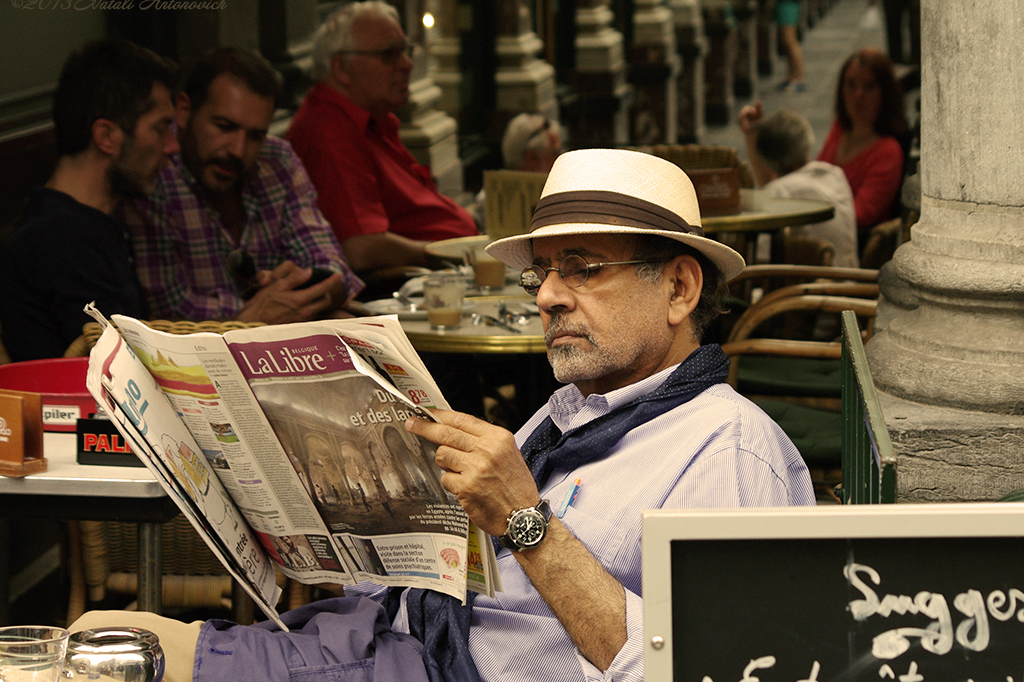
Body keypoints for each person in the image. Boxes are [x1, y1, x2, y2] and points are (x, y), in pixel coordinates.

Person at [71, 148, 815, 682]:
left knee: (96, 660)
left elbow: (698, 667)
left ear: (680, 287)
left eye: (583, 267)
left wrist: (523, 517)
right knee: (94, 637)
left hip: (419, 663)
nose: (550, 295)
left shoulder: (728, 448)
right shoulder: (570, 415)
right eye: (543, 271)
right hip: (368, 636)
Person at [123, 47, 364, 324]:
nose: (238, 150)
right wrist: (263, 310)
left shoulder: (277, 160)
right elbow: (168, 310)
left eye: (255, 136)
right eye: (224, 127)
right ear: (184, 110)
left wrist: (309, 285)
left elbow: (332, 266)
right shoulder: (153, 170)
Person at [0, 39, 179, 361]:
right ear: (107, 137)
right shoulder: (59, 239)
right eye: (161, 128)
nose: (171, 146)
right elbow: (122, 371)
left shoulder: (84, 225)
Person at [286, 0, 478, 275]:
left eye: (406, 51)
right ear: (341, 69)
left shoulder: (373, 118)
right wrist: (445, 254)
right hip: (428, 283)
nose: (407, 64)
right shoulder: (329, 130)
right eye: (389, 54)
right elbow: (362, 249)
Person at [739, 104, 858, 267]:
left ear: (766, 161)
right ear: (807, 144)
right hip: (850, 284)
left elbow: (761, 261)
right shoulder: (834, 175)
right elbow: (775, 186)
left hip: (804, 289)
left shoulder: (776, 191)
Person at [816, 47, 906, 247]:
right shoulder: (839, 130)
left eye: (869, 86)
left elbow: (861, 215)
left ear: (885, 94)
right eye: (850, 85)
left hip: (853, 246)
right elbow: (813, 177)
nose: (858, 95)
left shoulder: (888, 150)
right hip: (821, 232)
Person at [775, 0, 806, 92]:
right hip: (785, 0)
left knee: (790, 41)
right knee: (786, 41)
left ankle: (799, 78)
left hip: (788, 0)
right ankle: (791, 76)